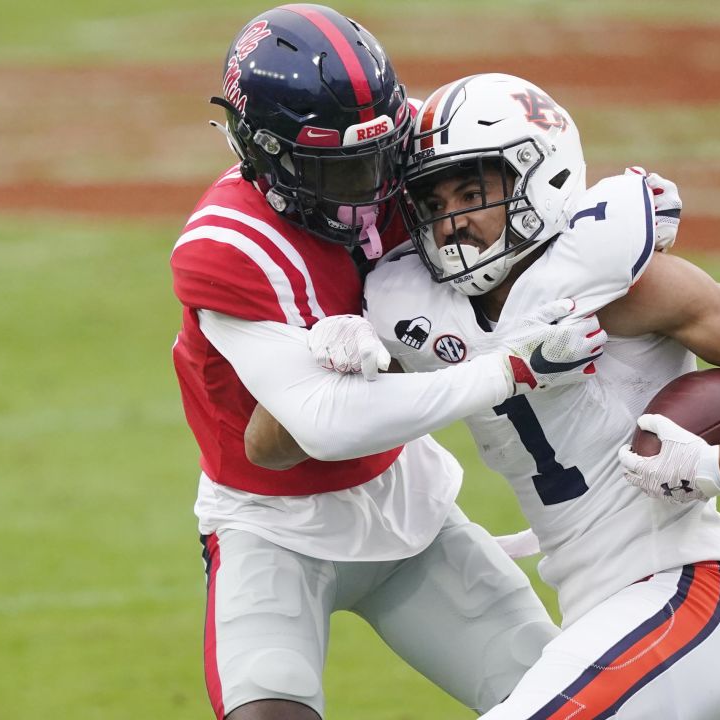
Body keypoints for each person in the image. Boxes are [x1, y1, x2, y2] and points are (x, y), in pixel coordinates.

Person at [260, 73, 720, 719]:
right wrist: (332, 354)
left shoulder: (614, 283)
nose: (450, 217)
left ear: (538, 176)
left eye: (472, 191)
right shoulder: (419, 310)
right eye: (432, 200)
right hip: (597, 613)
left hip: (683, 596)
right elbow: (272, 447)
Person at [172, 9, 612, 720]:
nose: (369, 187)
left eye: (377, 157)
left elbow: (532, 202)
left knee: (563, 704)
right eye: (334, 167)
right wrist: (508, 371)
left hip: (410, 503)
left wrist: (618, 226)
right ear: (261, 154)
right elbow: (304, 431)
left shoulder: (408, 144)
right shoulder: (230, 245)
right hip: (271, 527)